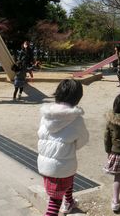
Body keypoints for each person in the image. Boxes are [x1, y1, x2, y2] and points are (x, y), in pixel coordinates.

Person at [37, 79, 89, 215]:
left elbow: (41, 134)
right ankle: (63, 204)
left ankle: (69, 201)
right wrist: (72, 146)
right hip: (62, 165)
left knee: (67, 178)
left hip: (45, 163)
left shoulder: (46, 115)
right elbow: (83, 139)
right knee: (54, 201)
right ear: (77, 98)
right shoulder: (76, 119)